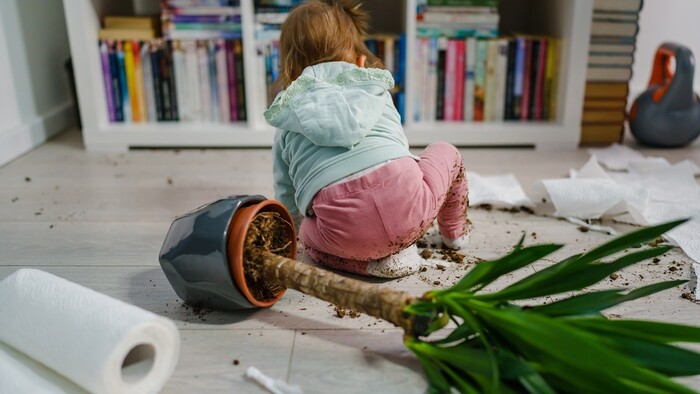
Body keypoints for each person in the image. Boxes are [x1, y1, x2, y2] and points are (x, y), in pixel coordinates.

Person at [264, 0, 470, 278]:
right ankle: (455, 235)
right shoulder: (375, 90)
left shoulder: (287, 118)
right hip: (411, 211)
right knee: (446, 151)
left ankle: (370, 265)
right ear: (361, 63)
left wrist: (298, 227)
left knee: (308, 238)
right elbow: (398, 147)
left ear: (290, 74)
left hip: (344, 235)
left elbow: (286, 194)